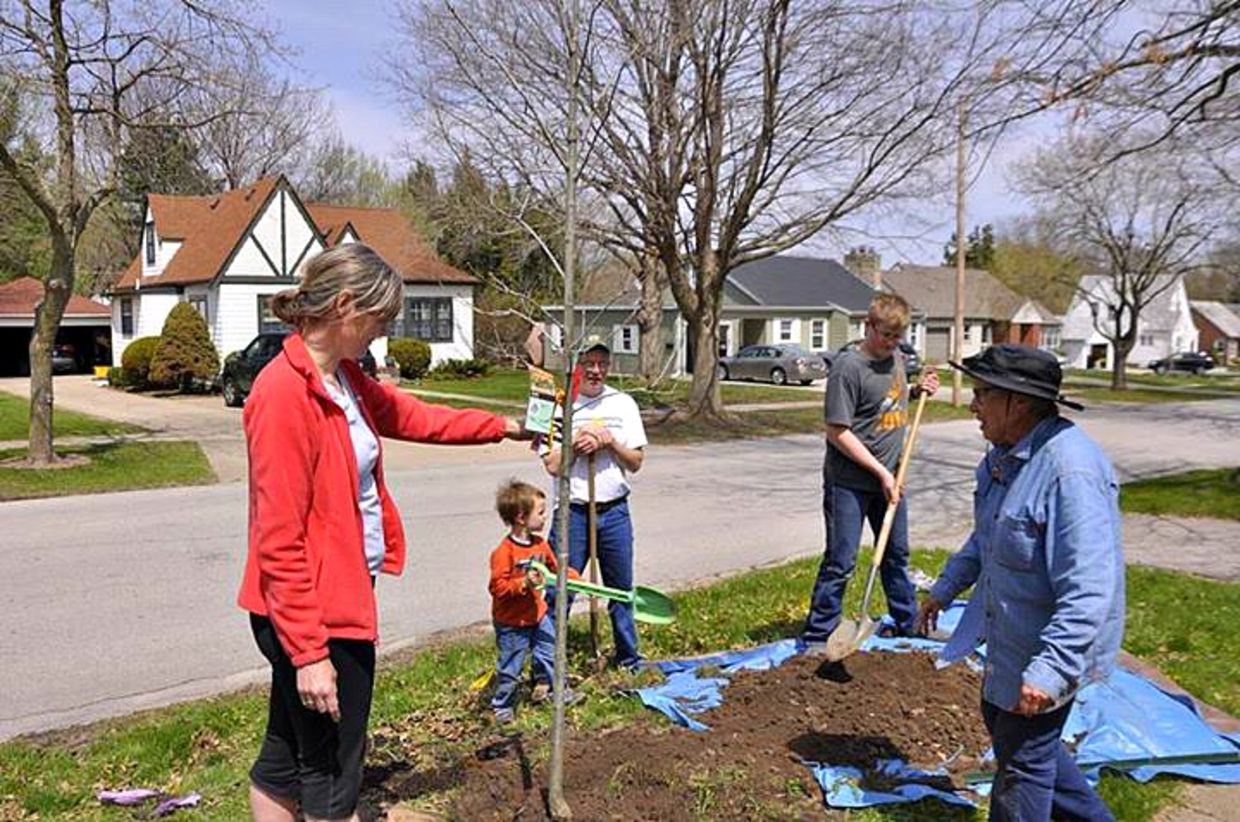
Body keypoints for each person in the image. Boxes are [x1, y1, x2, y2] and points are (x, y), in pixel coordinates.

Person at [237, 244, 527, 822]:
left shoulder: (342, 378)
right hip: (315, 613)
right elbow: (279, 540)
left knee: (285, 756)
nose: (384, 331)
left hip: (332, 597)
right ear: (345, 305)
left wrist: (505, 428)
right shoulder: (283, 395)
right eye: (380, 319)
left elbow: (412, 416)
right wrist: (310, 654)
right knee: (333, 772)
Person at [915, 344, 1123, 822]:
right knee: (1020, 740)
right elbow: (988, 536)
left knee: (1022, 769)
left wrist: (1050, 670)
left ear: (1020, 402)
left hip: (1049, 647)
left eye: (983, 394)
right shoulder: (1003, 459)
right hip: (1012, 639)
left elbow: (1089, 588)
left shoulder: (1070, 471)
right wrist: (945, 588)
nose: (972, 406)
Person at [802, 293, 939, 650]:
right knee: (841, 560)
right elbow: (838, 432)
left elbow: (886, 401)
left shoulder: (895, 358)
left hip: (890, 478)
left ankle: (909, 622)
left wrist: (917, 389)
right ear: (869, 326)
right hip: (849, 482)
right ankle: (819, 633)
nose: (893, 343)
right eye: (887, 335)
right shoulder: (848, 368)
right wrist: (881, 472)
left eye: (898, 336)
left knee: (896, 555)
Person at [542, 335, 647, 669]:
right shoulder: (559, 405)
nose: (596, 371)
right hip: (572, 513)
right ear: (576, 366)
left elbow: (636, 462)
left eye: (602, 364)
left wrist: (611, 443)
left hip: (614, 511)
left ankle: (629, 660)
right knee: (559, 591)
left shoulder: (623, 404)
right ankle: (548, 669)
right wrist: (577, 444)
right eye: (589, 363)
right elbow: (553, 464)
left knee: (620, 590)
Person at [488, 480, 578, 722]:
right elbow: (497, 588)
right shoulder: (503, 553)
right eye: (540, 512)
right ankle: (502, 706)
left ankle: (558, 692)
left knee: (551, 653)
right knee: (511, 666)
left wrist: (571, 577)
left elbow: (555, 568)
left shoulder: (540, 544)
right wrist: (523, 584)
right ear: (520, 517)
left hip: (538, 615)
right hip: (511, 622)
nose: (545, 516)